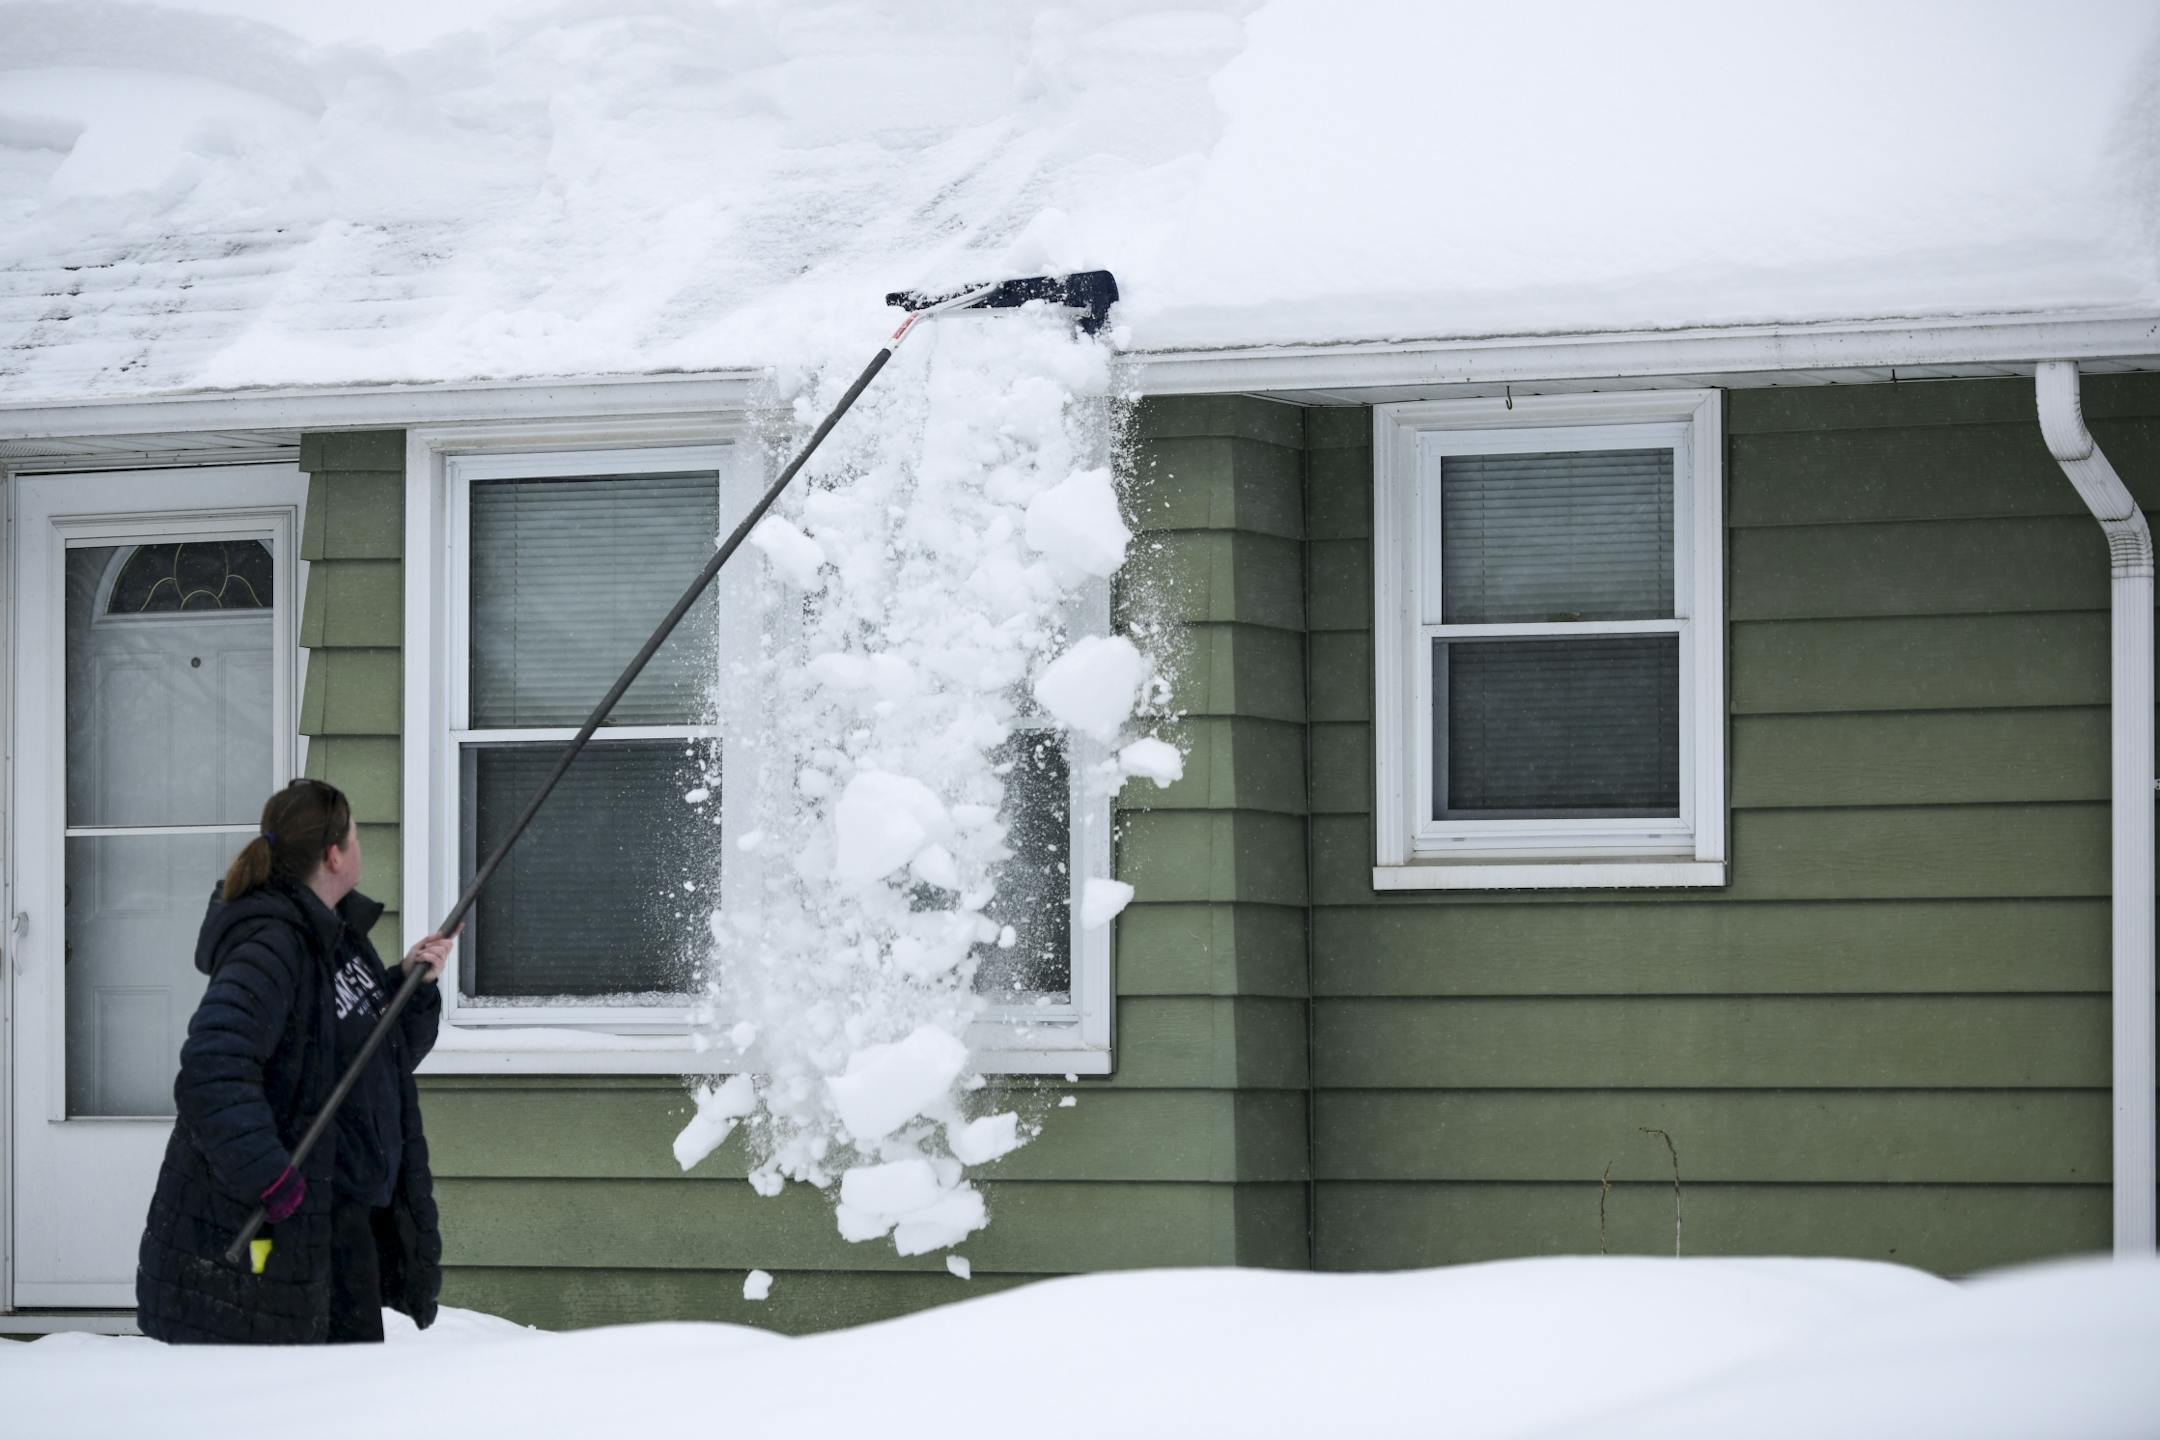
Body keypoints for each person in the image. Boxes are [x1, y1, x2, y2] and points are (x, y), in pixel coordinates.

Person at [136, 778, 457, 1344]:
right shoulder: (271, 945)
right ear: (334, 855)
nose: (360, 844)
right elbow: (213, 1071)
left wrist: (409, 986)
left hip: (338, 1219)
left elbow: (368, 1053)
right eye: (355, 834)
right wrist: (271, 1177)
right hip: (286, 1236)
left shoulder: (334, 931)